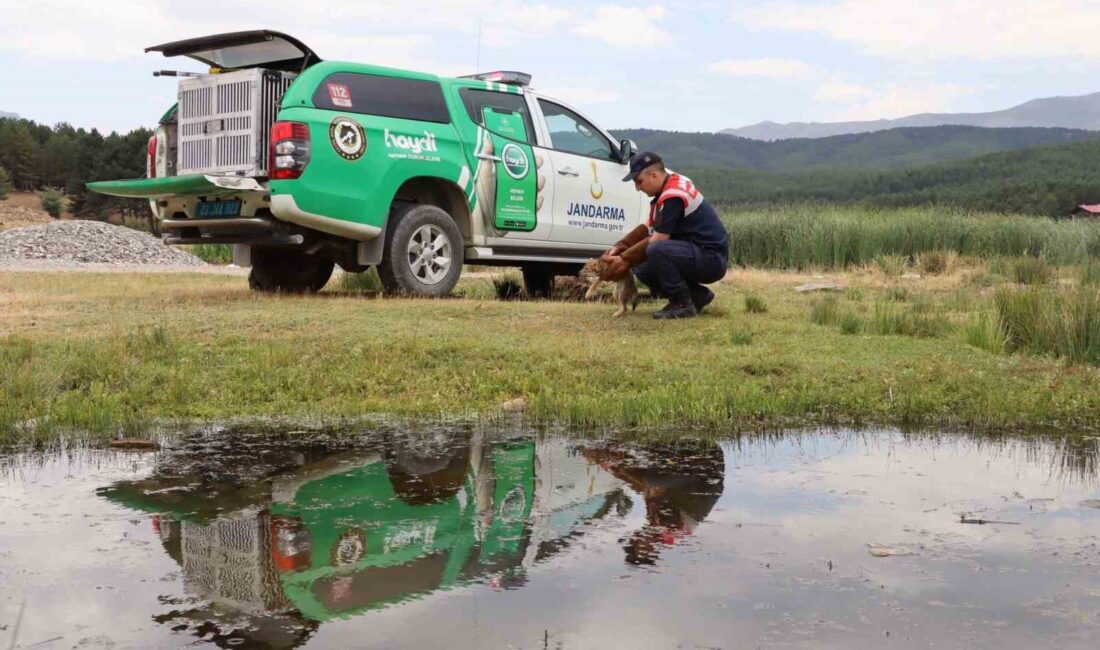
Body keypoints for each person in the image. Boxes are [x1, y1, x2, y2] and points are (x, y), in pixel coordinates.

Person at [601, 152, 729, 319]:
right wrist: (618, 247)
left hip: (710, 259)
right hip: (698, 253)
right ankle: (697, 296)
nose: (638, 188)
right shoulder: (670, 184)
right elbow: (648, 226)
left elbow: (657, 241)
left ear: (653, 175)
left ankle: (682, 304)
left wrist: (624, 260)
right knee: (642, 267)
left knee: (655, 250)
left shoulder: (673, 197)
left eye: (639, 182)